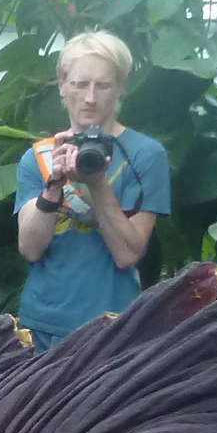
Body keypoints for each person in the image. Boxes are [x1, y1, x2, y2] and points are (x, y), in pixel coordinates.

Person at [13, 31, 169, 350]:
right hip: (41, 325)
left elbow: (127, 254)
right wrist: (53, 185)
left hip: (112, 326)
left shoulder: (146, 155)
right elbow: (29, 248)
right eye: (80, 84)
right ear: (62, 84)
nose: (90, 98)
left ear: (120, 87)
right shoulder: (40, 157)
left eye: (103, 85)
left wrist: (96, 182)